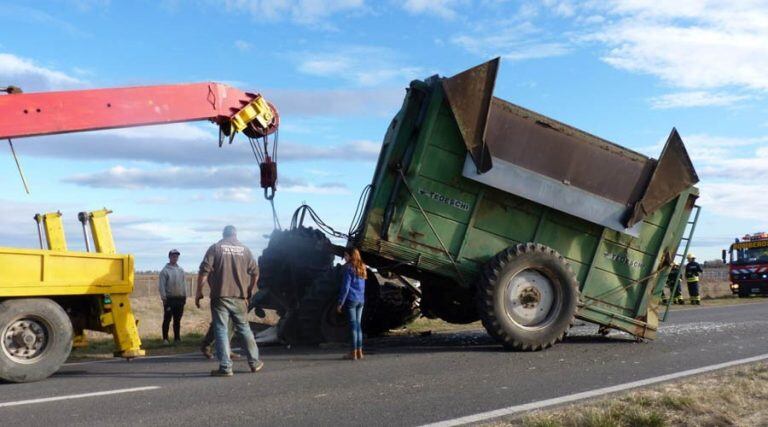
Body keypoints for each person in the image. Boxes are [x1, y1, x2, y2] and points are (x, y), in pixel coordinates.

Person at [196, 225, 263, 377]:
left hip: (220, 296)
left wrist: (199, 292)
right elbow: (255, 273)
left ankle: (225, 367)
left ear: (223, 234)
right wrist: (249, 291)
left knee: (221, 329)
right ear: (235, 235)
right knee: (244, 328)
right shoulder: (245, 250)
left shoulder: (216, 248)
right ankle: (254, 362)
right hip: (240, 297)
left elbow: (204, 271)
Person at [336, 248, 367, 360]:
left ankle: (353, 353)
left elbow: (345, 287)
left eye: (346, 255)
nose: (345, 257)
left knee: (353, 327)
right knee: (358, 326)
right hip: (361, 300)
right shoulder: (362, 267)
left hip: (351, 300)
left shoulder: (349, 268)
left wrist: (340, 303)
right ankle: (359, 352)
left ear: (351, 256)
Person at [159, 249, 186, 345]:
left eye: (177, 256)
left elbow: (183, 284)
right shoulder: (165, 271)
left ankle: (177, 338)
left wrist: (184, 296)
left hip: (180, 298)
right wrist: (164, 298)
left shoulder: (181, 270)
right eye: (173, 256)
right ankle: (165, 339)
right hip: (169, 299)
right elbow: (161, 286)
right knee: (167, 319)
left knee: (177, 320)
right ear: (169, 257)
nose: (175, 258)